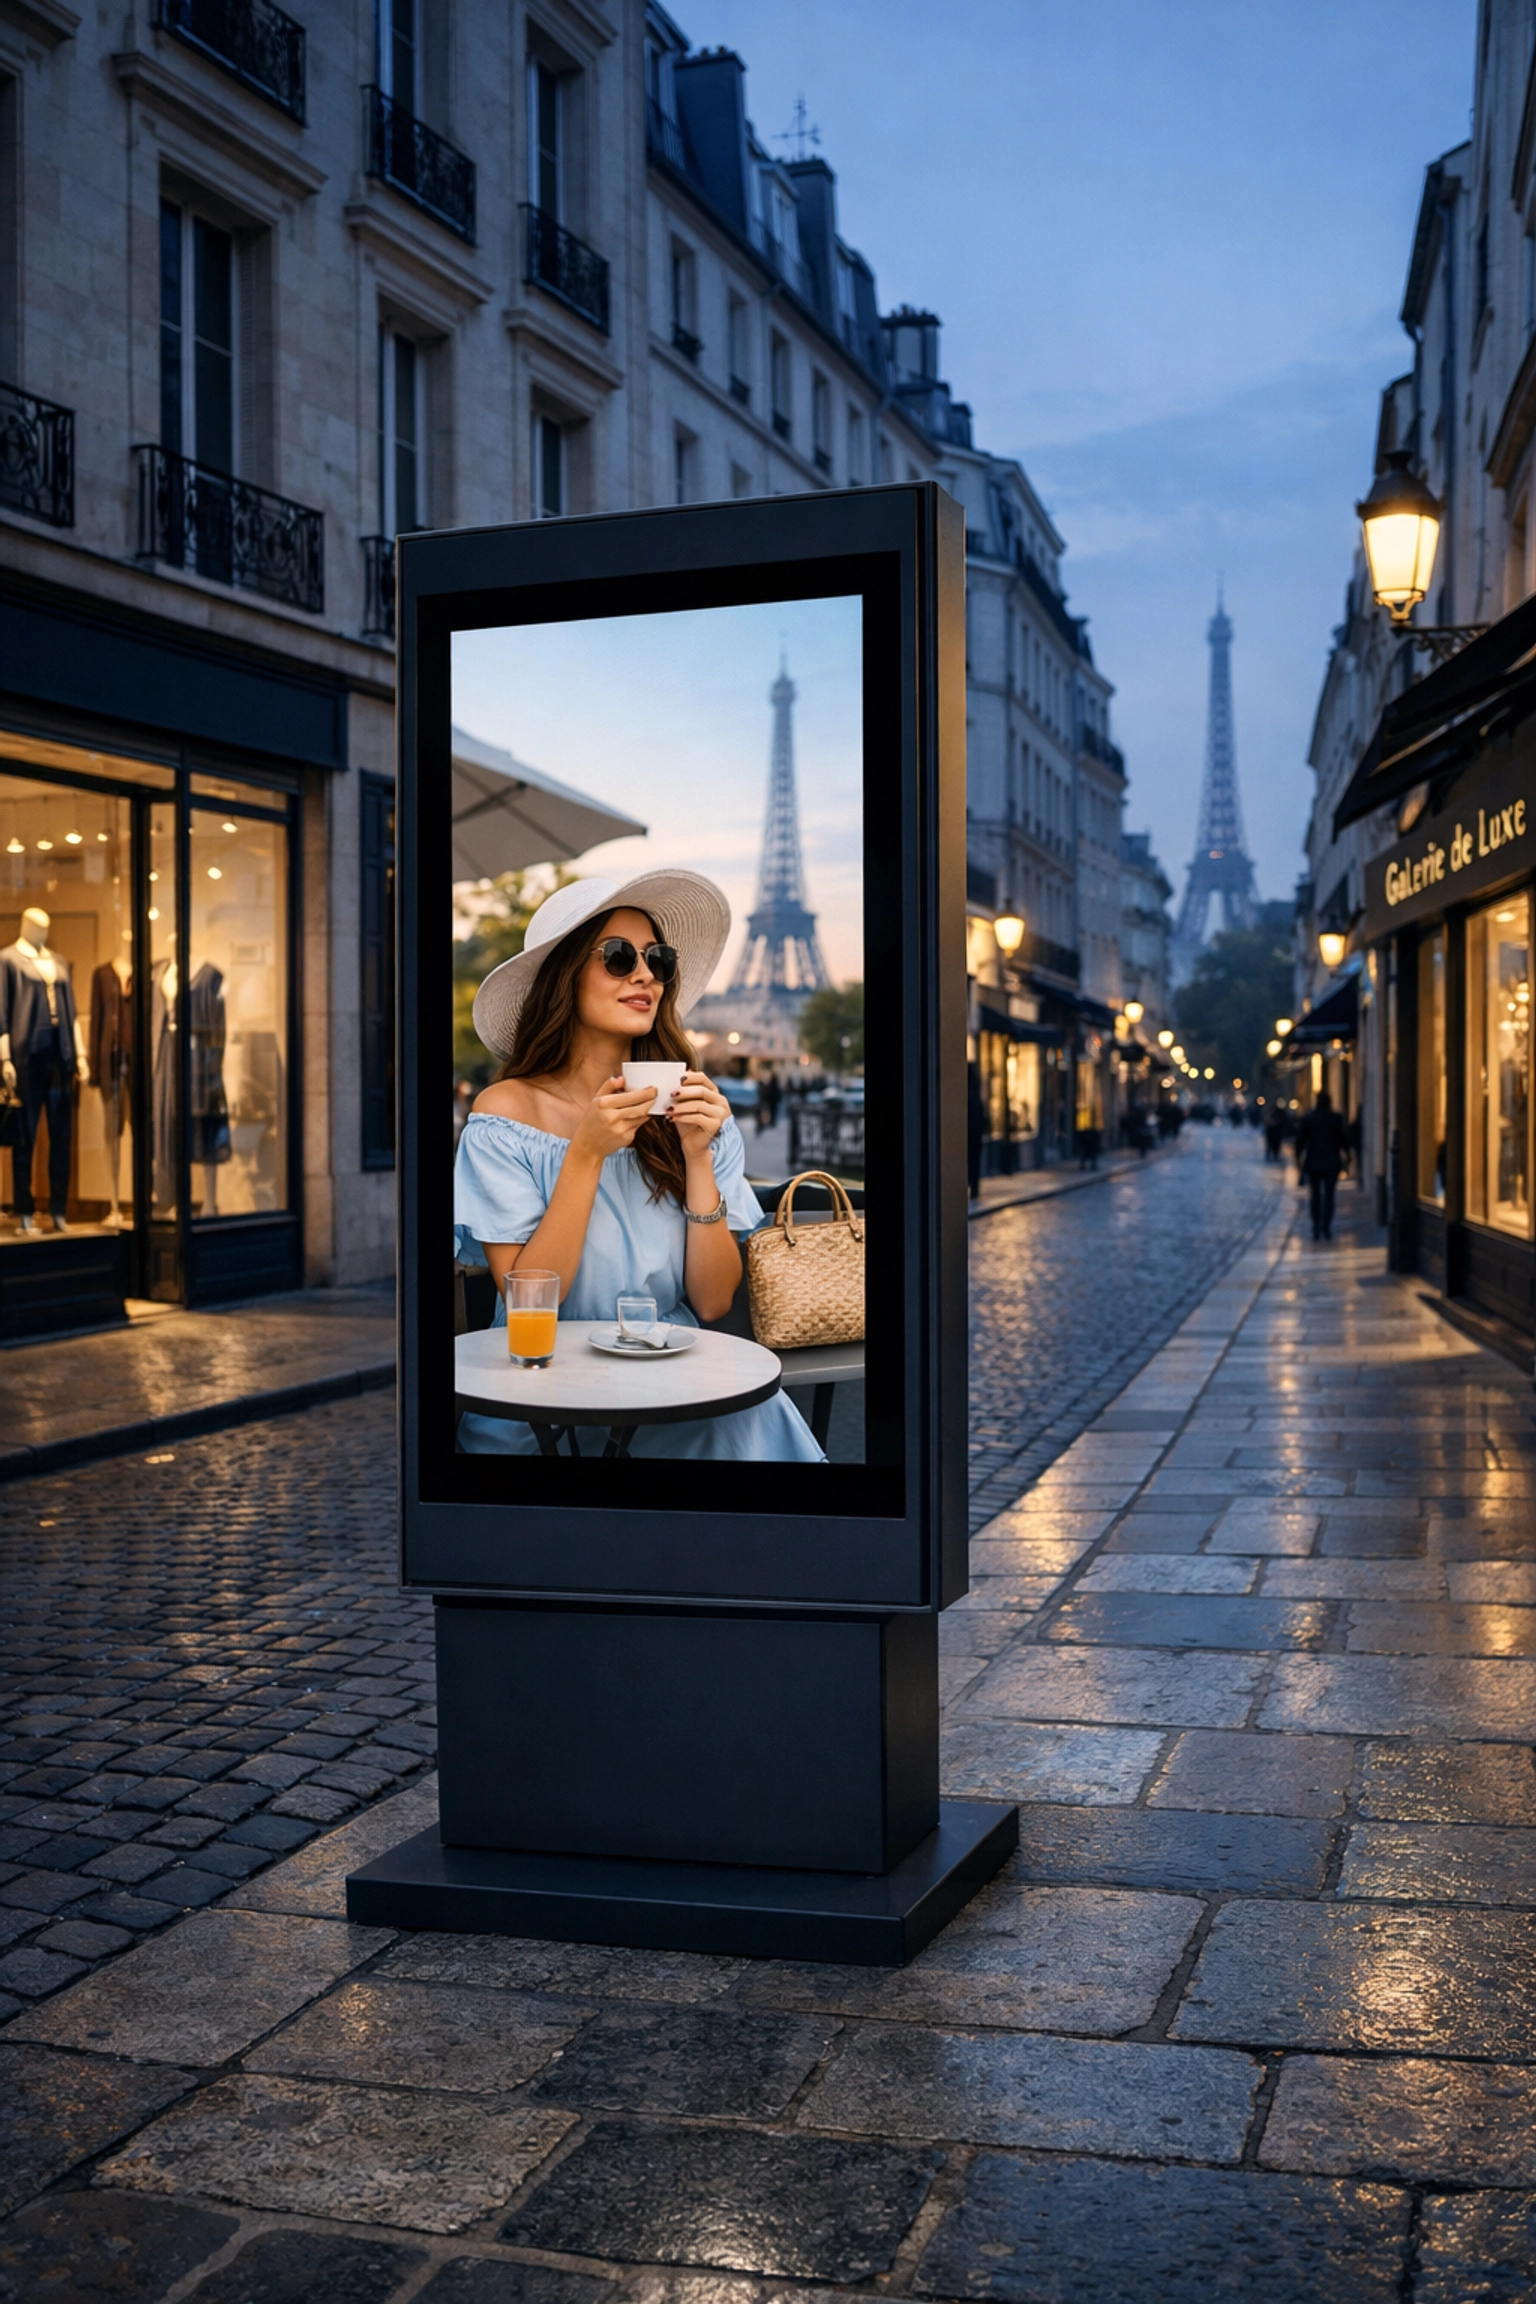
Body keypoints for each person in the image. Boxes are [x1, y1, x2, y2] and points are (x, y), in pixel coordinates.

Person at [453, 869, 823, 1461]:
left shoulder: (693, 1116)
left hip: (674, 1377)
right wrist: (586, 1154)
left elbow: (712, 1303)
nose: (646, 974)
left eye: (658, 958)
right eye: (620, 957)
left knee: (750, 1419)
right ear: (563, 977)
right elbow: (529, 1301)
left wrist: (698, 1157)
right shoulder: (507, 1113)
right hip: (541, 1391)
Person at [1295, 1090, 1350, 1242]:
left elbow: (1300, 1141)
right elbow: (1343, 1139)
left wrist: (1298, 1157)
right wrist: (1348, 1155)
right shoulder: (1335, 1119)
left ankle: (1316, 1226)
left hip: (1314, 1162)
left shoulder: (1309, 1119)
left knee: (1316, 1195)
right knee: (1329, 1195)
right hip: (1331, 1162)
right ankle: (1326, 1226)